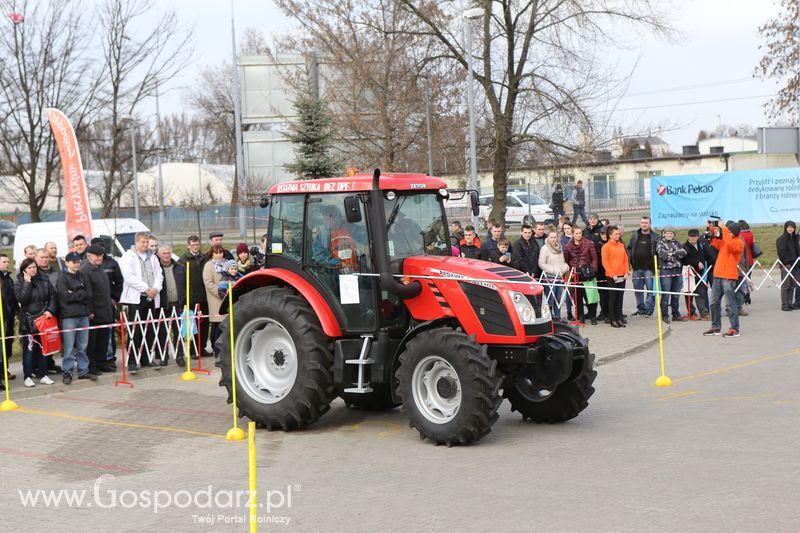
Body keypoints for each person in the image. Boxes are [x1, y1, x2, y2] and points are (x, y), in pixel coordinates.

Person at [119, 232, 163, 372]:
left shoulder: (153, 258)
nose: (145, 245)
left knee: (149, 329)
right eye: (143, 242)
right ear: (137, 242)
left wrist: (155, 288)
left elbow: (159, 275)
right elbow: (129, 277)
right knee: (135, 330)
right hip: (136, 299)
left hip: (151, 298)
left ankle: (145, 358)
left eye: (147, 242)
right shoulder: (128, 256)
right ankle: (132, 360)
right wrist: (146, 288)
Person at [15, 258, 57, 387]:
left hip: (43, 319)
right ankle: (27, 376)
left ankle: (44, 374)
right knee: (29, 350)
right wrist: (27, 283)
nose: (32, 270)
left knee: (44, 348)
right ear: (24, 270)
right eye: (29, 268)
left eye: (34, 267)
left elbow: (52, 296)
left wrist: (50, 310)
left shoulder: (44, 278)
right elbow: (23, 299)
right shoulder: (20, 281)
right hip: (28, 321)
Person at [56, 252, 96, 384]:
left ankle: (83, 370)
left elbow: (89, 294)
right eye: (74, 262)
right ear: (67, 263)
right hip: (69, 317)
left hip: (83, 315)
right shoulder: (62, 278)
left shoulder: (83, 275)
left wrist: (75, 293)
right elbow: (65, 297)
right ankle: (67, 372)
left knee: (82, 346)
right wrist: (81, 293)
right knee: (68, 347)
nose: (77, 264)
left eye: (78, 261)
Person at [703, 220, 744, 338]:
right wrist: (710, 228)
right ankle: (716, 328)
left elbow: (731, 245)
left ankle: (735, 329)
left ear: (734, 232)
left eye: (729, 230)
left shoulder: (738, 242)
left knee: (730, 304)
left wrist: (724, 229)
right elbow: (715, 242)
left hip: (729, 276)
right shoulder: (726, 239)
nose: (727, 232)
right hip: (718, 275)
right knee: (714, 302)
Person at [81, 245, 115, 375]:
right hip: (94, 313)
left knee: (103, 340)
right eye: (97, 255)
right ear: (89, 256)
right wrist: (89, 311)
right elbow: (87, 294)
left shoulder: (100, 269)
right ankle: (91, 365)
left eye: (101, 255)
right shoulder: (86, 271)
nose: (99, 257)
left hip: (105, 311)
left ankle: (101, 362)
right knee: (92, 342)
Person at [90, 238, 123, 367]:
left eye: (102, 248)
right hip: (95, 306)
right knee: (96, 335)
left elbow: (119, 282)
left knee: (109, 331)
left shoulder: (112, 263)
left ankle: (110, 358)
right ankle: (98, 360)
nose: (100, 252)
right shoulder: (88, 266)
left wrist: (115, 298)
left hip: (109, 304)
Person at [179, 235, 211, 356]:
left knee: (204, 324)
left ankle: (201, 348)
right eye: (193, 245)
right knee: (192, 325)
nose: (196, 247)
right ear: (188, 246)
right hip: (191, 298)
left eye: (197, 244)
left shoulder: (204, 258)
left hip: (204, 297)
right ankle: (192, 350)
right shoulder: (183, 260)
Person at [157, 244, 186, 367]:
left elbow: (186, 284)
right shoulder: (156, 268)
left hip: (177, 304)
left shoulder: (180, 267)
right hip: (163, 305)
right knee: (162, 332)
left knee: (178, 331)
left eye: (168, 253)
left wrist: (184, 300)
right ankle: (163, 356)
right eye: (163, 253)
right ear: (159, 255)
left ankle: (179, 355)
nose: (166, 255)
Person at [563, 227, 598, 324]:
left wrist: (593, 270)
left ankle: (593, 317)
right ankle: (580, 317)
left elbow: (594, 258)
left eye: (580, 233)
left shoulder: (589, 243)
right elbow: (566, 260)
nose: (579, 235)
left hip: (587, 273)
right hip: (576, 275)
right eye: (577, 233)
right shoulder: (568, 246)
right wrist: (570, 272)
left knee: (590, 297)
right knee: (578, 298)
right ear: (573, 234)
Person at [628, 216, 659, 317]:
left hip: (649, 269)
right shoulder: (635, 235)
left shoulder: (655, 237)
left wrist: (657, 267)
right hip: (636, 269)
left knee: (651, 290)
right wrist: (631, 262)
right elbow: (630, 248)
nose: (644, 224)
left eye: (646, 223)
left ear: (650, 224)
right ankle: (641, 309)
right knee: (638, 290)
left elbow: (658, 252)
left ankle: (649, 309)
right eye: (642, 222)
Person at [656, 225, 687, 323]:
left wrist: (671, 253)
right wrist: (675, 254)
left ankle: (676, 314)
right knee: (666, 294)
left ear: (674, 234)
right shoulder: (660, 243)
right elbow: (663, 255)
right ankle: (664, 315)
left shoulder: (677, 242)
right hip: (666, 271)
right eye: (667, 233)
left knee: (676, 294)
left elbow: (684, 253)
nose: (669, 235)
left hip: (677, 271)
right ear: (664, 234)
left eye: (671, 233)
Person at [601, 226, 629, 328]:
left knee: (620, 298)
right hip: (612, 277)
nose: (618, 235)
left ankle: (619, 318)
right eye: (616, 234)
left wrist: (627, 271)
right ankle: (612, 319)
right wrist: (612, 274)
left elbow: (625, 259)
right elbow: (605, 262)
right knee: (613, 298)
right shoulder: (606, 247)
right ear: (610, 235)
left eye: (618, 234)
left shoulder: (621, 245)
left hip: (622, 276)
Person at [538, 230, 569, 320]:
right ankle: (549, 317)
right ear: (548, 238)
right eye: (551, 237)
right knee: (550, 299)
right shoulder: (544, 248)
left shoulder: (560, 247)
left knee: (558, 298)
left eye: (555, 237)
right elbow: (541, 263)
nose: (553, 239)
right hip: (549, 277)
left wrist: (564, 268)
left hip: (559, 277)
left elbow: (562, 262)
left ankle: (558, 316)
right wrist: (553, 270)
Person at [202, 245, 227, 354]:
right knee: (217, 323)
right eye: (216, 253)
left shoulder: (227, 263)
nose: (219, 255)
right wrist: (220, 292)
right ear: (212, 254)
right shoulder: (209, 265)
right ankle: (215, 348)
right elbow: (208, 282)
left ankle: (224, 347)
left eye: (220, 252)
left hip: (227, 296)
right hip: (215, 298)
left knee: (225, 323)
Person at [682, 229, 711, 320]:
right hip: (689, 273)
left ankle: (704, 313)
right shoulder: (685, 246)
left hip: (700, 274)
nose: (693, 238)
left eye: (695, 236)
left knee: (701, 293)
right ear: (688, 236)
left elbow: (707, 256)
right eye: (691, 236)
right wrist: (696, 262)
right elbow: (684, 259)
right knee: (689, 294)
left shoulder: (701, 245)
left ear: (698, 237)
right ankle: (691, 313)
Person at [0, 254, 17, 386]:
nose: (7, 263)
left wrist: (17, 310)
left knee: (8, 345)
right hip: (2, 318)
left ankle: (4, 370)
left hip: (10, 317)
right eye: (4, 262)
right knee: (1, 347)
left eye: (7, 261)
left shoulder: (9, 279)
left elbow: (13, 298)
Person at [776, 220, 800, 311]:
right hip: (787, 265)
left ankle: (790, 303)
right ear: (786, 228)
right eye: (789, 227)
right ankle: (785, 304)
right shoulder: (782, 239)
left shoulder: (795, 238)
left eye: (792, 227)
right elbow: (781, 253)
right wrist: (787, 263)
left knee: (792, 285)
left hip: (796, 265)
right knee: (786, 285)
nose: (790, 229)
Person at [593, 226, 610, 322]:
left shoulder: (611, 243)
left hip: (610, 272)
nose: (604, 235)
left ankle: (609, 313)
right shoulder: (596, 244)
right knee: (602, 294)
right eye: (602, 233)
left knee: (609, 294)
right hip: (600, 273)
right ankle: (603, 312)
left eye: (605, 233)